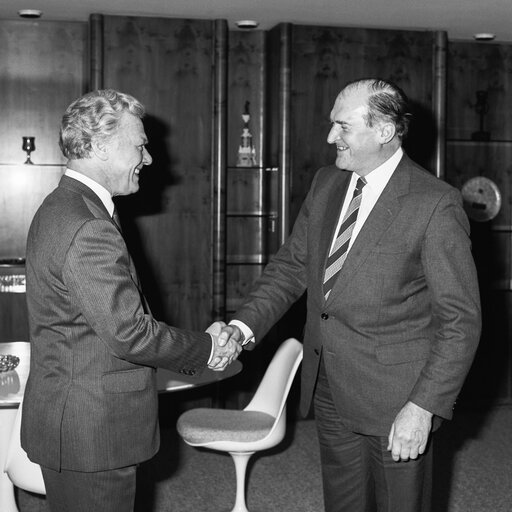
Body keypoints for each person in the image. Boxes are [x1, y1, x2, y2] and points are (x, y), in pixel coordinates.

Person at [217, 78, 481, 512]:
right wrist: (241, 327)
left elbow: (461, 320)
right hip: (330, 386)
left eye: (342, 127)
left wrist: (423, 406)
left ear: (384, 131)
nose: (329, 137)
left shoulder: (435, 204)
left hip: (398, 399)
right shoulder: (327, 184)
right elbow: (289, 268)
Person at [21, 89, 241, 512]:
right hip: (94, 433)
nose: (149, 158)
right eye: (140, 145)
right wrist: (210, 349)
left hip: (73, 422)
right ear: (101, 146)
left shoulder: (62, 206)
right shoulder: (87, 224)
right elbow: (129, 333)